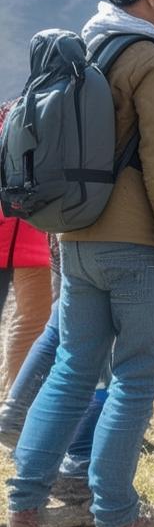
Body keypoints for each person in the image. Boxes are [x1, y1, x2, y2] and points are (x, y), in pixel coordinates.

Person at [7, 0, 154, 527]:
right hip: (135, 244)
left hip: (74, 239)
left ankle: (24, 505)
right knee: (137, 380)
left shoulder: (87, 45)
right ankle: (117, 517)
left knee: (69, 371)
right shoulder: (148, 56)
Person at [0, 103, 54, 390]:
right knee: (32, 322)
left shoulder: (9, 124)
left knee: (27, 321)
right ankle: (16, 404)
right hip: (32, 242)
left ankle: (14, 397)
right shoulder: (40, 123)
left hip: (25, 240)